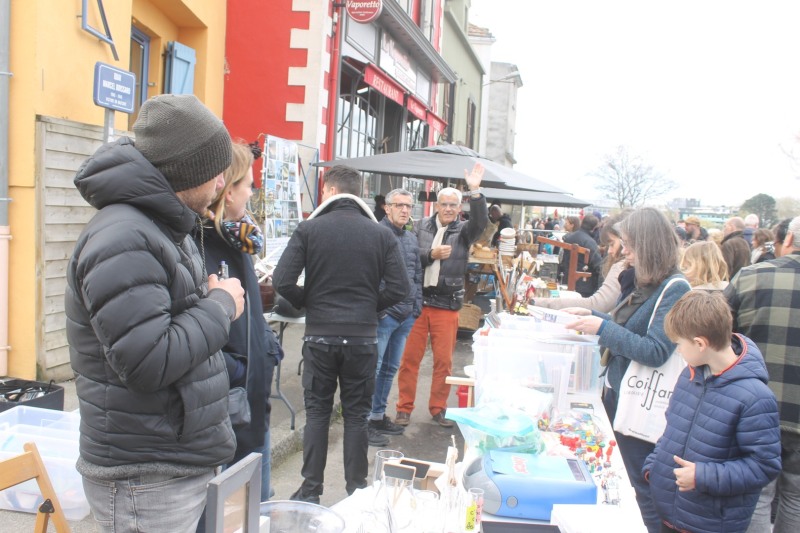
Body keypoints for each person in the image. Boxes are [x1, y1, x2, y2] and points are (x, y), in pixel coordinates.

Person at [65, 94, 244, 532]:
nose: (222, 183)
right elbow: (148, 361)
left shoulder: (157, 223)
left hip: (163, 464)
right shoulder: (123, 236)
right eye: (215, 172)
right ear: (186, 173)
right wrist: (221, 305)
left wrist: (200, 300)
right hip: (145, 477)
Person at [272, 165, 409, 503]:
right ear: (358, 192)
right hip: (362, 338)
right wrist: (369, 308)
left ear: (330, 191)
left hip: (320, 337)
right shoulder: (381, 234)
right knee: (357, 416)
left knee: (318, 413)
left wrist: (311, 304)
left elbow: (282, 281)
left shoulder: (309, 229)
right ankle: (356, 493)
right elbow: (400, 288)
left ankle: (310, 491)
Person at [564, 207, 691, 533]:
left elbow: (656, 350)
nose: (625, 252)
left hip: (640, 405)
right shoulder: (650, 282)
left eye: (629, 245)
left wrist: (601, 328)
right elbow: (632, 331)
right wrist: (597, 320)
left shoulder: (675, 288)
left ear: (648, 245)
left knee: (639, 490)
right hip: (621, 396)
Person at [643, 291, 781, 533]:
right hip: (669, 513)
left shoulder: (755, 397)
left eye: (679, 344)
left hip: (710, 523)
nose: (678, 351)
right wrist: (654, 468)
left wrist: (703, 476)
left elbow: (764, 466)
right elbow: (672, 429)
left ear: (700, 344)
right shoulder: (690, 375)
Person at [197, 141, 283, 502]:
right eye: (248, 184)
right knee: (236, 510)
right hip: (227, 408)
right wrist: (243, 366)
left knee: (256, 504)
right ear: (228, 190)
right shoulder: (201, 243)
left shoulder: (237, 238)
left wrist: (265, 347)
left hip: (251, 399)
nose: (253, 191)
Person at [395, 164, 487, 428]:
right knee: (409, 360)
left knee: (443, 363)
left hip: (447, 304)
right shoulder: (419, 226)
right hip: (419, 303)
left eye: (453, 205)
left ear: (460, 209)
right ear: (436, 206)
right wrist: (430, 255)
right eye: (444, 204)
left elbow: (481, 222)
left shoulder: (464, 231)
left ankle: (438, 408)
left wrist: (475, 191)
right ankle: (403, 408)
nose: (448, 209)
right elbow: (410, 257)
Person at [726, 215, 800, 533]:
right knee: (796, 498)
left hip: (754, 408)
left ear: (788, 240)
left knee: (756, 495)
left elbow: (717, 336)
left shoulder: (751, 277)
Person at [367, 188, 423, 447]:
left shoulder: (411, 238)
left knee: (389, 369)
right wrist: (382, 309)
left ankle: (378, 415)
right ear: (386, 208)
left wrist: (416, 307)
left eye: (408, 206)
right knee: (374, 369)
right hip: (385, 315)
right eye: (399, 205)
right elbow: (371, 276)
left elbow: (416, 276)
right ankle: (365, 421)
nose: (404, 210)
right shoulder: (375, 234)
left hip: (406, 315)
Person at [534, 210, 632, 312]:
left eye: (612, 244)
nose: (610, 251)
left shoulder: (622, 267)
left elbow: (598, 304)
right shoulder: (589, 242)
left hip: (584, 288)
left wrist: (539, 303)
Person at [558, 215, 603, 297]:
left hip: (567, 280)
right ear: (593, 228)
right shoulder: (590, 242)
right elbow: (598, 265)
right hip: (584, 286)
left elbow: (563, 260)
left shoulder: (569, 238)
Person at [721, 216, 752, 280]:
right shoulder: (745, 242)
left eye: (725, 226)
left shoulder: (729, 244)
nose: (723, 230)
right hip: (742, 282)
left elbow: (726, 269)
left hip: (731, 284)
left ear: (731, 227)